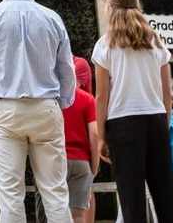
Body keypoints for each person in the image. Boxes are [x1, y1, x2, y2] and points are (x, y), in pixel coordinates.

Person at [0, 0, 77, 223]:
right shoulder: (52, 18)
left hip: (6, 109)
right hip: (46, 106)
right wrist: (61, 103)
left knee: (10, 195)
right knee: (55, 192)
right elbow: (67, 70)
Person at [92, 0, 173, 223]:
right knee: (166, 197)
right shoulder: (156, 42)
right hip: (156, 119)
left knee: (132, 201)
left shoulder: (105, 44)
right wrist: (165, 123)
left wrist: (101, 137)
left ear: (109, 7)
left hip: (122, 124)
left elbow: (101, 96)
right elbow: (167, 92)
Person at [62, 57, 99, 223]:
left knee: (54, 211)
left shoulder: (51, 98)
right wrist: (94, 165)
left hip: (57, 159)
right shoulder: (87, 99)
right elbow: (95, 134)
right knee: (78, 215)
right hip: (82, 161)